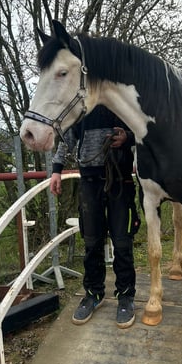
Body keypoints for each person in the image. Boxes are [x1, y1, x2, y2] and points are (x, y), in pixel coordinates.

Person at [50, 105, 140, 328]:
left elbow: (143, 132)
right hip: (89, 181)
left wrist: (127, 138)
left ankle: (126, 296)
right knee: (92, 241)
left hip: (120, 179)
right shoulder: (81, 106)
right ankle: (93, 293)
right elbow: (68, 138)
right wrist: (56, 170)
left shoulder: (122, 97)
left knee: (122, 241)